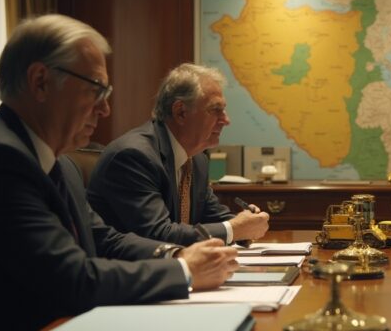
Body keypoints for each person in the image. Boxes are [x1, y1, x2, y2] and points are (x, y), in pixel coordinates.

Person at [0, 15, 239, 331]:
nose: (105, 109)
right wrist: (184, 271)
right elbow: (71, 281)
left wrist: (175, 255)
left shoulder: (59, 162)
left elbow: (105, 239)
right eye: (96, 89)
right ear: (40, 81)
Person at [87, 63, 269, 246]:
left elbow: (211, 215)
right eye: (216, 110)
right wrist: (234, 229)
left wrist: (246, 222)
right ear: (181, 112)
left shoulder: (197, 159)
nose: (226, 120)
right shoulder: (133, 156)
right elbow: (158, 234)